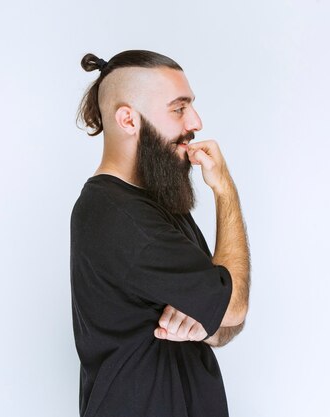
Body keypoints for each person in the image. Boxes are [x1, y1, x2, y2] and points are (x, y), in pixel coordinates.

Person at [70, 49, 251, 417]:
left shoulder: (162, 206)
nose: (195, 121)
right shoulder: (117, 215)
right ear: (128, 119)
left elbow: (225, 323)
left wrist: (206, 321)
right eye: (178, 109)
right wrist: (225, 190)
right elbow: (234, 304)